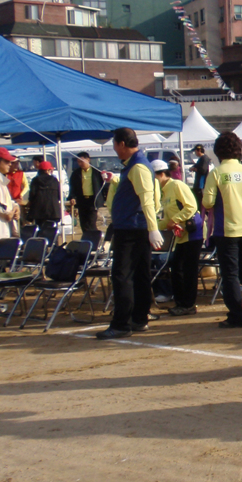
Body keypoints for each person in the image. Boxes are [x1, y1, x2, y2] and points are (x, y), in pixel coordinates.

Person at [96, 128, 163, 340]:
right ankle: (139, 317)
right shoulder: (135, 166)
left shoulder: (138, 167)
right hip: (134, 228)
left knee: (123, 275)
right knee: (139, 274)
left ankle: (122, 323)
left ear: (122, 144)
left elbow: (148, 200)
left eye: (115, 145)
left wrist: (153, 228)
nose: (115, 149)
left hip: (132, 229)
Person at [202, 131, 242, 329]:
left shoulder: (216, 173)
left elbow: (207, 201)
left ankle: (237, 315)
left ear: (218, 152)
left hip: (226, 230)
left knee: (230, 274)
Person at [151, 160, 203, 316]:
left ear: (161, 174)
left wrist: (176, 219)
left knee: (188, 270)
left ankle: (188, 304)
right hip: (181, 235)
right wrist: (152, 225)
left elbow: (191, 206)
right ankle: (181, 302)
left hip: (193, 232)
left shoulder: (177, 185)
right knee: (177, 269)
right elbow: (166, 218)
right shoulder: (163, 191)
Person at [68, 152, 103, 232]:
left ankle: (94, 239)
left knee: (91, 222)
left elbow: (102, 185)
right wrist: (72, 197)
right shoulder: (76, 173)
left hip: (93, 200)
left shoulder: (96, 172)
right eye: (78, 161)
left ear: (88, 160)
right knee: (83, 223)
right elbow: (72, 186)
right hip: (82, 200)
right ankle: (87, 239)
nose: (80, 163)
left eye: (82, 161)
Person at [27, 160, 62, 231]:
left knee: (40, 231)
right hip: (53, 210)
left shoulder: (35, 180)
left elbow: (32, 195)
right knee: (52, 231)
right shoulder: (54, 180)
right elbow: (59, 196)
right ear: (48, 170)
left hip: (39, 211)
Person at [0, 147, 21, 240]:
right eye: (7, 161)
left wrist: (15, 207)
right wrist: (3, 214)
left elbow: (6, 202)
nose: (10, 164)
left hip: (3, 232)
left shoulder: (2, 180)